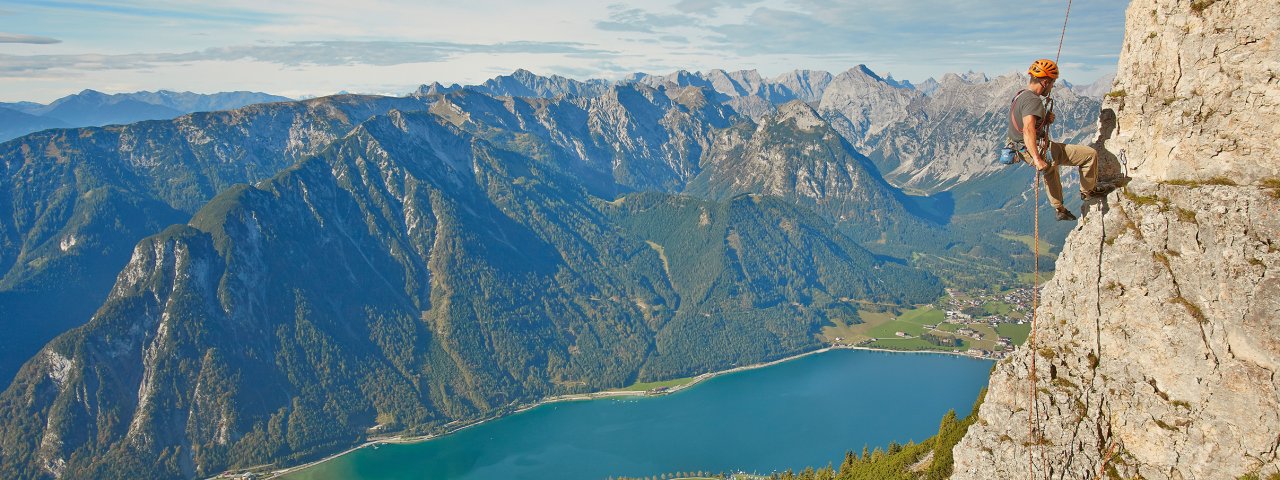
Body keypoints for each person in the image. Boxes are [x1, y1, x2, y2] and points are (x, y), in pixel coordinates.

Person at [1008, 59, 1115, 221]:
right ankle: (1089, 192)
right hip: (1034, 148)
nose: (1052, 87)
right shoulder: (1033, 100)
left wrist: (1044, 120)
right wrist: (1037, 158)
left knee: (1050, 169)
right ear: (1045, 82)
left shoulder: (1020, 96)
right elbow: (1028, 129)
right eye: (1052, 83)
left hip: (1021, 149)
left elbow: (1026, 124)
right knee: (1089, 155)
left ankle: (1059, 208)